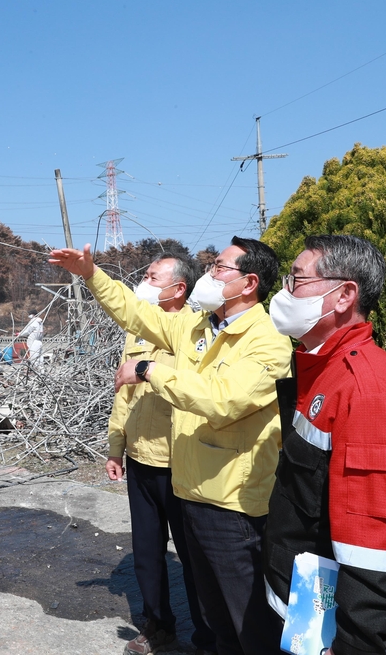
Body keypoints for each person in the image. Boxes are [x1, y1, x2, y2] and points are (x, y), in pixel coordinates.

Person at [50, 237, 292, 655]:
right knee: (215, 618)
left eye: (219, 267)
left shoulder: (268, 340)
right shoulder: (195, 326)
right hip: (189, 490)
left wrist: (149, 369)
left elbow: (221, 400)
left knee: (248, 621)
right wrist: (90, 274)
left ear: (249, 282)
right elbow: (136, 312)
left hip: (233, 504)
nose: (209, 274)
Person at [263, 235, 386, 655]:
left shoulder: (368, 392)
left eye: (296, 280)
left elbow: (375, 545)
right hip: (303, 614)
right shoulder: (324, 367)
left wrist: (357, 645)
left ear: (344, 296)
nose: (284, 292)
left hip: (335, 634)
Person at [108, 252, 215, 655]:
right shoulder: (137, 333)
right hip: (140, 460)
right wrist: (116, 445)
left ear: (178, 288)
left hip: (182, 463)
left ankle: (208, 636)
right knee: (147, 553)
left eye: (153, 278)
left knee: (194, 557)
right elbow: (124, 393)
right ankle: (159, 625)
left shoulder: (197, 333)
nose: (145, 284)